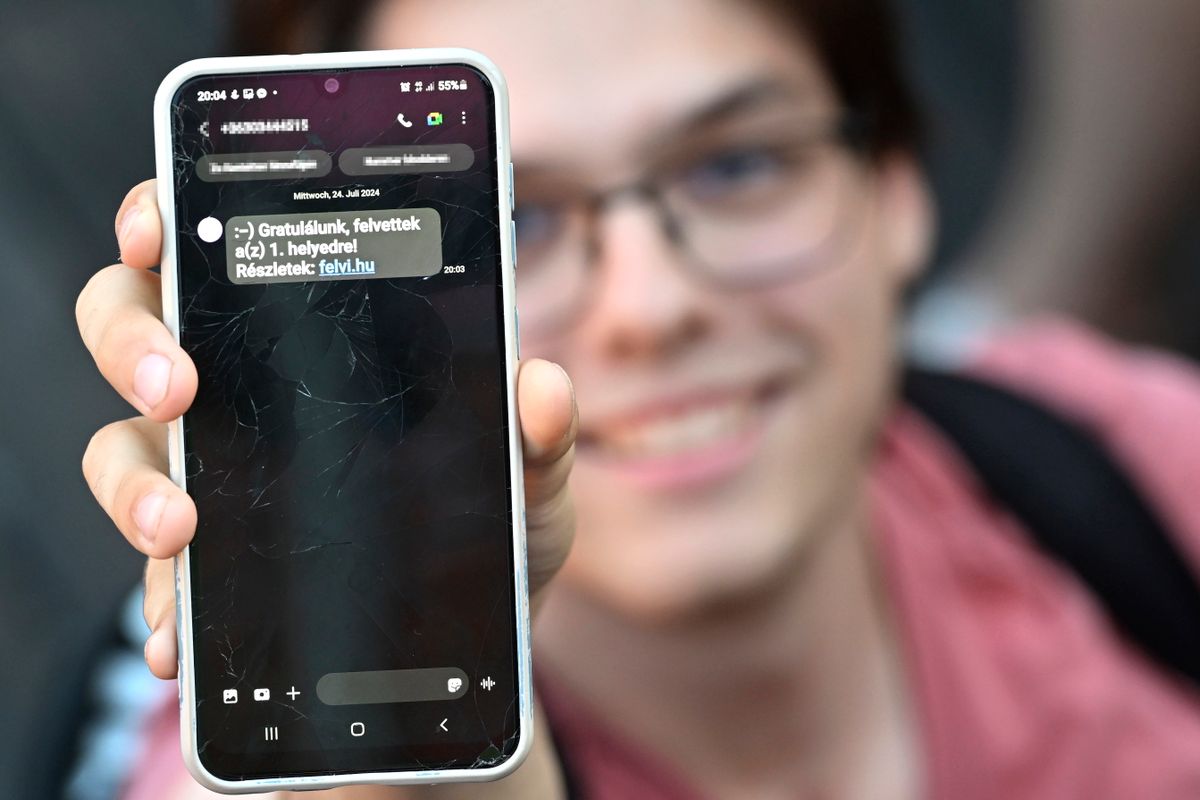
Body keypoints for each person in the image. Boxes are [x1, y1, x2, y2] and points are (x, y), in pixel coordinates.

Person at [74, 0, 1200, 797]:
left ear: (895, 190)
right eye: (511, 221)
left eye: (736, 165)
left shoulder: (1112, 442)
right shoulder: (264, 753)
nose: (652, 306)